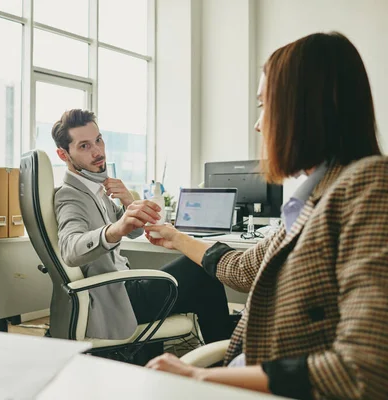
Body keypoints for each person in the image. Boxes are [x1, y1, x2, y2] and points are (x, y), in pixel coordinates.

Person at [144, 32, 388, 399]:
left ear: (302, 108)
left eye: (263, 105)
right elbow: (243, 268)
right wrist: (174, 236)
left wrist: (200, 379)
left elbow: (363, 369)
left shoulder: (369, 186)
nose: (258, 125)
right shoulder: (313, 199)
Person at [52, 109, 235, 352]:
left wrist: (128, 200)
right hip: (118, 299)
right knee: (201, 267)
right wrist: (116, 228)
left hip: (126, 287)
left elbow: (134, 232)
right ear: (64, 154)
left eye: (98, 140)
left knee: (203, 280)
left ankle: (223, 346)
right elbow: (70, 248)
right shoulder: (70, 196)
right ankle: (227, 355)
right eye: (84, 146)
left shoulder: (95, 187)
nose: (98, 151)